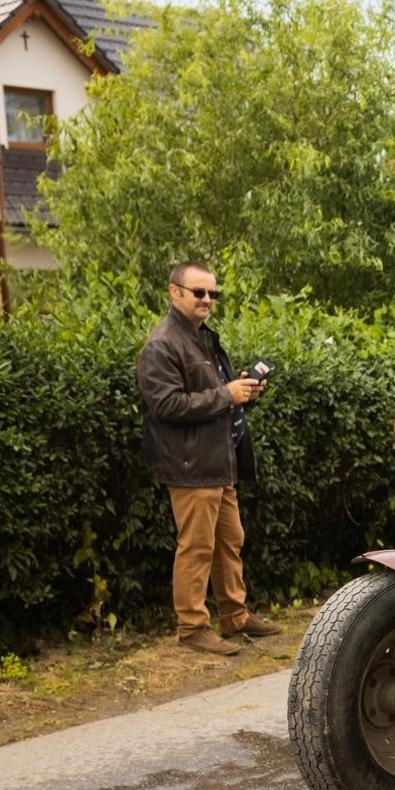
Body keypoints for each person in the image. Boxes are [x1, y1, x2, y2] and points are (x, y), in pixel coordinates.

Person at [137, 261, 281, 655]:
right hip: (190, 466)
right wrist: (226, 395)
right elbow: (166, 405)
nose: (206, 300)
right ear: (174, 292)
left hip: (220, 462)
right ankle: (191, 627)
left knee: (230, 542)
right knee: (197, 547)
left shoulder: (204, 338)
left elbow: (216, 399)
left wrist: (244, 394)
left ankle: (235, 616)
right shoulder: (162, 345)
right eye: (198, 292)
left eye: (212, 294)